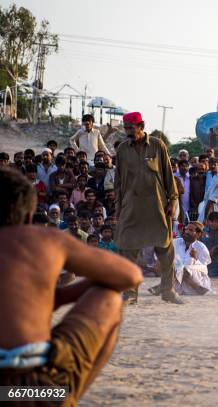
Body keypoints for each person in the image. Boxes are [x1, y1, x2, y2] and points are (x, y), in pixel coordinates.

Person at [0, 167, 142, 404]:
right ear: (27, 217)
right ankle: (68, 397)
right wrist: (58, 297)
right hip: (33, 388)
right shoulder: (43, 239)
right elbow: (130, 276)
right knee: (109, 298)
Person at [114, 111, 182, 305]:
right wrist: (118, 206)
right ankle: (130, 293)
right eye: (125, 128)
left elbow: (169, 175)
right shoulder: (122, 149)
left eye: (131, 128)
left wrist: (173, 201)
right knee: (128, 248)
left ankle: (168, 290)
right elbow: (118, 180)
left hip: (157, 205)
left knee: (165, 249)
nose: (128, 131)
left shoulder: (157, 145)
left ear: (141, 125)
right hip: (131, 205)